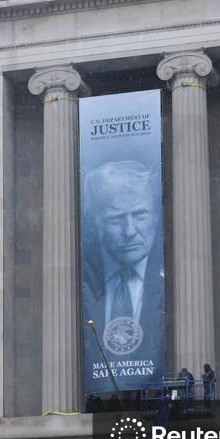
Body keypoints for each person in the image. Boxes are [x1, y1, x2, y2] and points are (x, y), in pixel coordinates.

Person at [82, 160, 165, 376]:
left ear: (156, 216)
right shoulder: (83, 279)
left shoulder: (169, 278)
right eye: (116, 218)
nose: (129, 231)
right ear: (97, 222)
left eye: (140, 215)